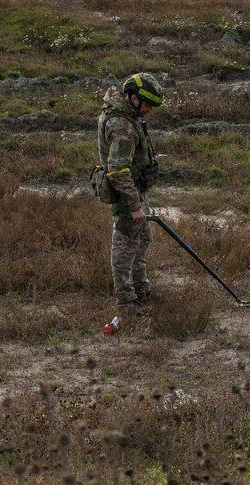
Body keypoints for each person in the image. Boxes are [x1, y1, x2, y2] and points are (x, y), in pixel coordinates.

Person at [94, 72, 166, 309]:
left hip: (136, 189)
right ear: (133, 98)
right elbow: (117, 170)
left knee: (143, 237)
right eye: (147, 104)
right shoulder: (122, 125)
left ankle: (140, 286)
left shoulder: (129, 115)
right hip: (126, 193)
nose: (149, 110)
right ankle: (126, 298)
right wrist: (134, 206)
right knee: (125, 243)